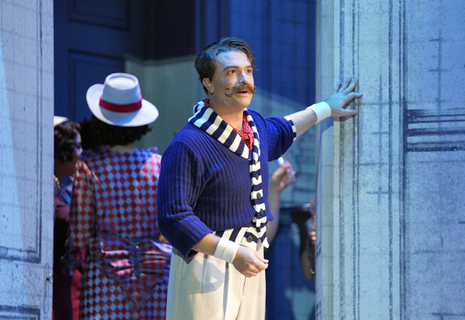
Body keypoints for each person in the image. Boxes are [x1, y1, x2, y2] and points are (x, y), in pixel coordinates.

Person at [156, 37, 362, 320]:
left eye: (248, 71)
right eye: (231, 72)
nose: (244, 79)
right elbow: (174, 217)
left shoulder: (255, 128)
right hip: (207, 262)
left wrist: (326, 107)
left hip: (250, 259)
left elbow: (286, 127)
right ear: (208, 83)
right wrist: (232, 253)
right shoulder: (188, 144)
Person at [69, 73, 171, 320]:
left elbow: (80, 235)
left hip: (105, 280)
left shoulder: (89, 167)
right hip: (155, 277)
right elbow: (170, 226)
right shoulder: (160, 165)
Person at [53, 116, 82, 320]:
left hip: (70, 282)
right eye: (77, 147)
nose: (81, 153)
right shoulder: (49, 190)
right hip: (57, 283)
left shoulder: (66, 189)